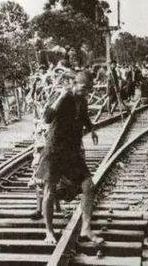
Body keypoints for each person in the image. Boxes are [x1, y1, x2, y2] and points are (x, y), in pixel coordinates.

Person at [38, 71, 102, 244]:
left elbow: (84, 116)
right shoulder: (62, 97)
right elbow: (47, 118)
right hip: (55, 151)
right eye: (83, 88)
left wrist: (92, 129)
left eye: (88, 89)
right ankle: (49, 232)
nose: (86, 91)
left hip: (72, 152)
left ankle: (86, 228)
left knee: (88, 186)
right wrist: (60, 97)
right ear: (74, 84)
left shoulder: (82, 100)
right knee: (49, 190)